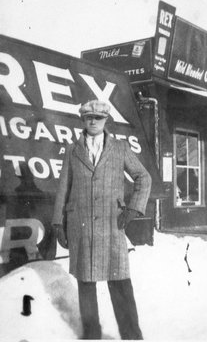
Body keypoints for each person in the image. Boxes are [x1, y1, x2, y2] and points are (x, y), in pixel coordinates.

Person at [52, 99, 151, 340]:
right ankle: (91, 334)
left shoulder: (120, 148)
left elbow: (143, 177)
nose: (93, 121)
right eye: (88, 118)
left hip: (111, 224)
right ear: (83, 120)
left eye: (98, 117)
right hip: (81, 226)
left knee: (119, 281)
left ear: (106, 120)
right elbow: (64, 187)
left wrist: (133, 208)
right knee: (86, 282)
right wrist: (58, 222)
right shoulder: (73, 149)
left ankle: (132, 336)